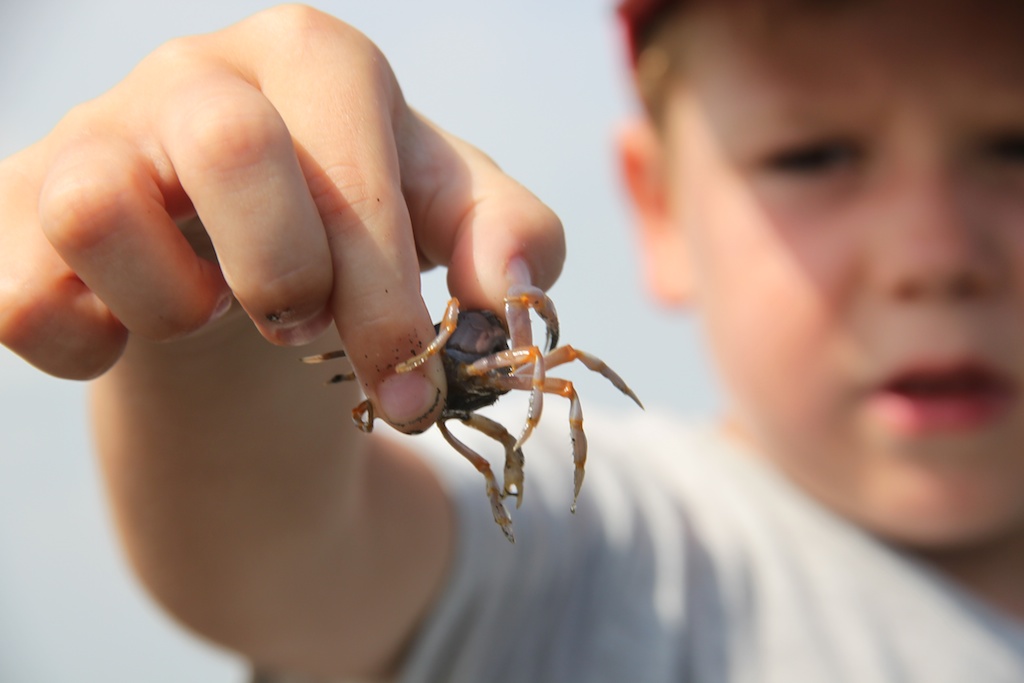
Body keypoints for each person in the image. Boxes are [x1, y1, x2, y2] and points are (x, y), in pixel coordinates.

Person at [2, 0, 1024, 681]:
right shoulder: (619, 559)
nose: (935, 254)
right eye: (813, 155)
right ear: (657, 210)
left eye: (1012, 147)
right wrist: (216, 273)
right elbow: (281, 563)